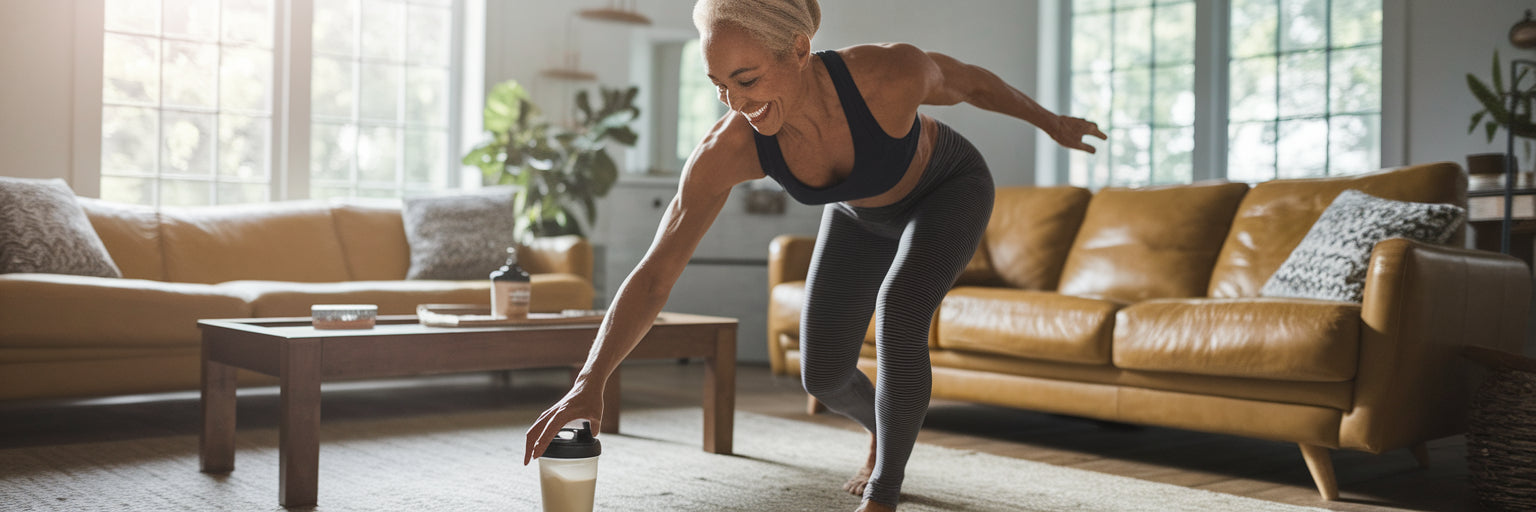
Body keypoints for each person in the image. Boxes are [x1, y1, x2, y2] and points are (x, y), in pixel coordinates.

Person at [524, 0, 1106, 510]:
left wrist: (1051, 123)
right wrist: (589, 379)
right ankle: (887, 423)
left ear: (799, 49)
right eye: (718, 85)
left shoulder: (886, 73)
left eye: (747, 79)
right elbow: (656, 274)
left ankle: (884, 490)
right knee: (822, 372)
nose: (735, 102)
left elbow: (972, 84)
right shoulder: (727, 149)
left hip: (949, 188)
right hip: (858, 212)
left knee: (900, 311)